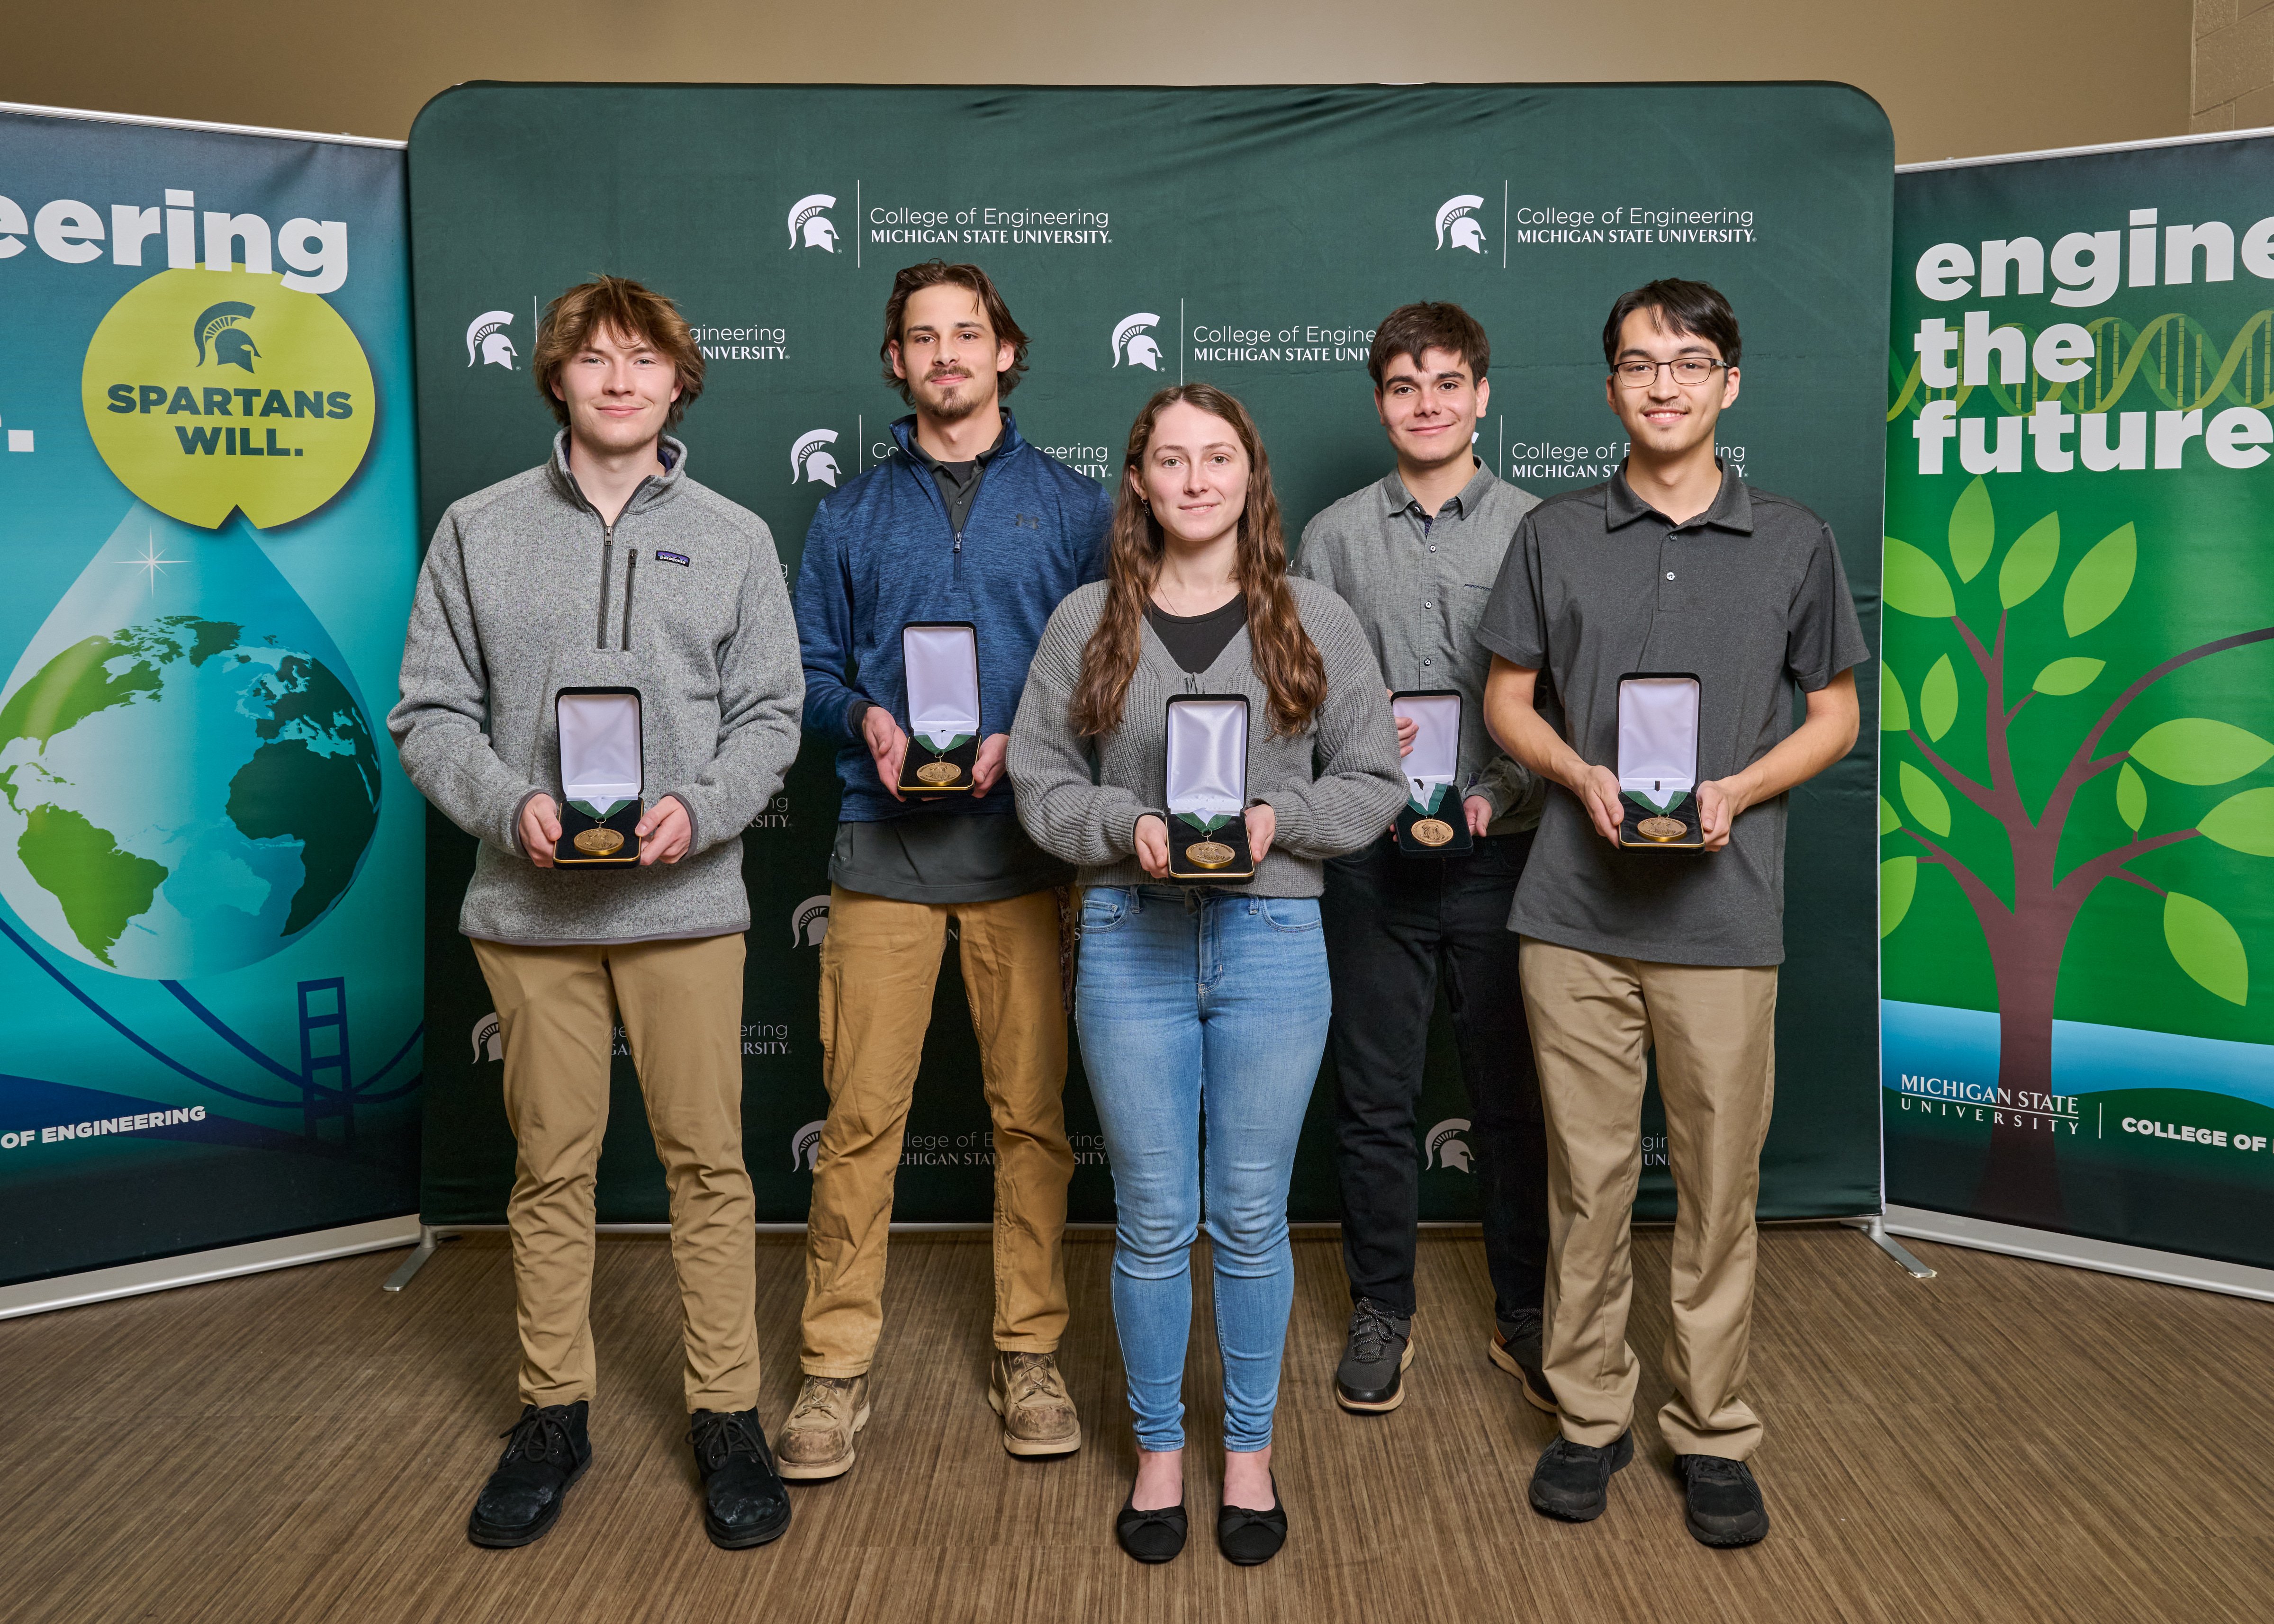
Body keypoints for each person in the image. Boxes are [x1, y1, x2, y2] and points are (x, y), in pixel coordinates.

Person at [390, 276, 805, 1551]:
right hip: (530, 910)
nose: (620, 380)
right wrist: (506, 800)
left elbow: (771, 716)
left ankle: (726, 1412)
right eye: (594, 358)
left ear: (681, 381)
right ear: (556, 378)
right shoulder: (477, 527)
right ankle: (552, 1411)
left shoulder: (735, 536)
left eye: (644, 360)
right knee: (551, 1166)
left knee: (710, 1164)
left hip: (686, 901)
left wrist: (706, 806)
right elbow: (428, 712)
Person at [1479, 279, 1866, 1548]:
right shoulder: (1554, 533)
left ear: (1728, 384)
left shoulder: (1796, 538)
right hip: (1573, 916)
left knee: (1717, 1186)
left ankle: (1711, 1427)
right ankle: (1590, 1412)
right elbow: (1506, 700)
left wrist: (1741, 789)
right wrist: (1576, 771)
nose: (1664, 384)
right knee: (1587, 1182)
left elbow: (1837, 714)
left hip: (1726, 917)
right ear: (1610, 387)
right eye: (1640, 363)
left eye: (1690, 363)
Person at [1009, 383, 1404, 1566]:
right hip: (1128, 929)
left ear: (1249, 476)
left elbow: (1375, 778)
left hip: (1272, 937)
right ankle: (1156, 1451)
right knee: (1149, 1214)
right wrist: (1119, 823)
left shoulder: (1314, 615)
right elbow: (1039, 778)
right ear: (1138, 479)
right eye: (1171, 459)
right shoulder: (1087, 618)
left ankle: (1246, 1450)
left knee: (1248, 1213)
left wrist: (1283, 819)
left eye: (1217, 457)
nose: (1195, 479)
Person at [785, 261, 1111, 1479]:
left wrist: (1026, 740)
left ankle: (1030, 1351)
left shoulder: (1076, 506)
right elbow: (808, 670)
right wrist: (864, 717)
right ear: (896, 361)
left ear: (1005, 351)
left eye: (967, 334)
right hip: (883, 850)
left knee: (1032, 1120)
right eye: (923, 338)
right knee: (859, 1120)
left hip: (1023, 855)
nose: (947, 355)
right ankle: (833, 1367)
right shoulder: (850, 513)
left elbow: (1107, 671)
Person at [1291, 302, 1553, 1418]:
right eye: (1404, 386)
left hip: (1508, 851)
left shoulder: (1540, 529)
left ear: (1482, 395)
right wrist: (1363, 770)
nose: (1427, 403)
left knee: (1514, 1098)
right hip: (1372, 856)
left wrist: (1494, 793)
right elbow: (1298, 697)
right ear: (1381, 403)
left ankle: (1525, 1309)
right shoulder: (1332, 537)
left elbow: (1560, 702)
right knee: (1374, 1095)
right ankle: (1381, 1308)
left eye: (1448, 383)